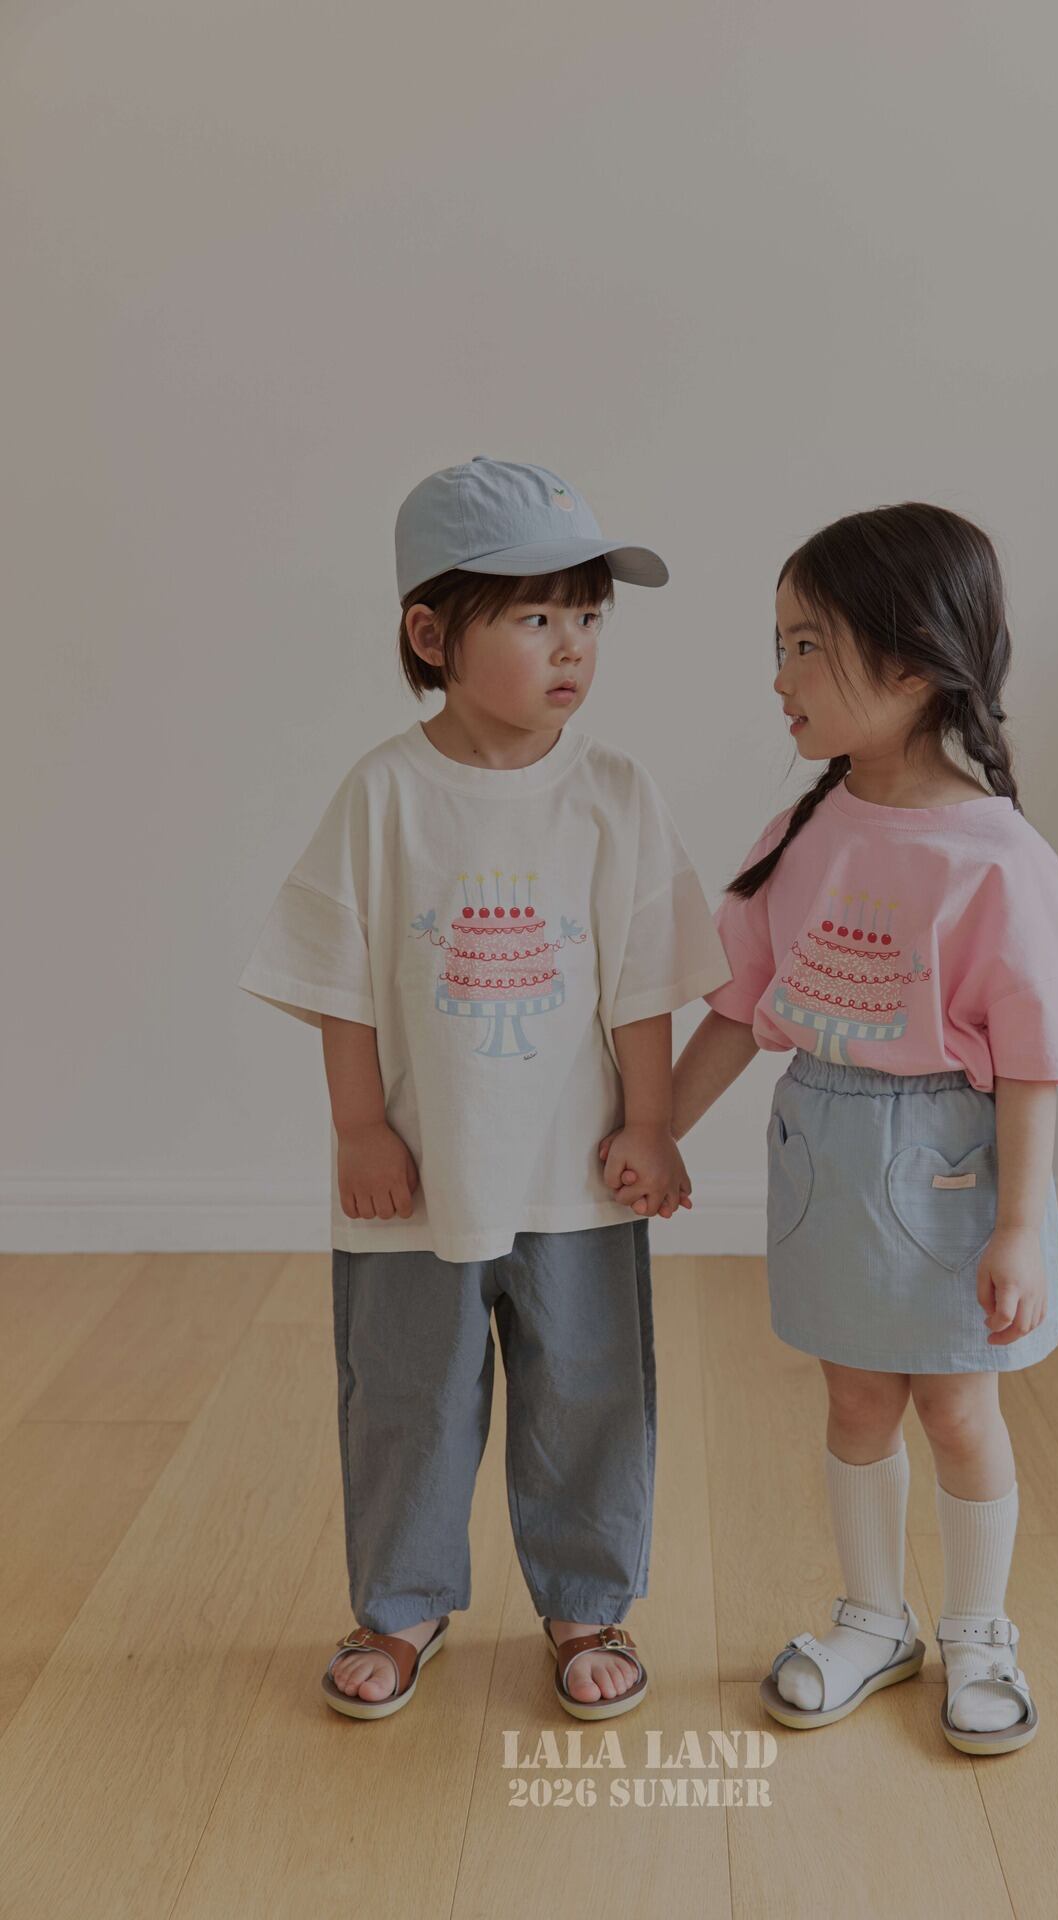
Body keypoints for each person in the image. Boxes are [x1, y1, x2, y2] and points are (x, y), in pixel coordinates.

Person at [606, 501, 1058, 1755]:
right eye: (776, 645)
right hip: (826, 1158)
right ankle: (872, 1619)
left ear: (908, 666)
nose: (776, 677)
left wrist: (1015, 1228)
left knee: (956, 1406)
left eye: (803, 647)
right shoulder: (804, 831)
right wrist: (658, 1129)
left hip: (950, 1168)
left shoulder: (995, 858)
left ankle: (977, 1630)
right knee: (853, 1399)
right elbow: (741, 1005)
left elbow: (1031, 1065)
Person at [238, 456, 732, 1722]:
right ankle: (399, 1604)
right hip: (419, 1176)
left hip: (575, 1176)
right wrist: (359, 1128)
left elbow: (642, 982)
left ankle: (585, 1602)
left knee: (588, 1389)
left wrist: (650, 1123)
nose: (572, 647)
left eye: (588, 617)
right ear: (430, 637)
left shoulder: (612, 793)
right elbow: (339, 979)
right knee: (405, 1394)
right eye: (533, 616)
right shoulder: (384, 795)